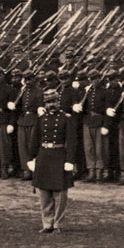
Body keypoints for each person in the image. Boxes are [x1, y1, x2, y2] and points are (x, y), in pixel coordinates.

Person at [26, 85, 81, 233]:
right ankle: (47, 223)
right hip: (44, 155)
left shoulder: (66, 118)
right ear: (45, 104)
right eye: (49, 102)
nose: (52, 105)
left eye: (54, 102)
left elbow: (72, 141)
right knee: (44, 191)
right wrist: (31, 157)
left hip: (59, 155)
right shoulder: (41, 119)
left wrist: (70, 160)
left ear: (58, 102)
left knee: (61, 192)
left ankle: (58, 223)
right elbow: (34, 139)